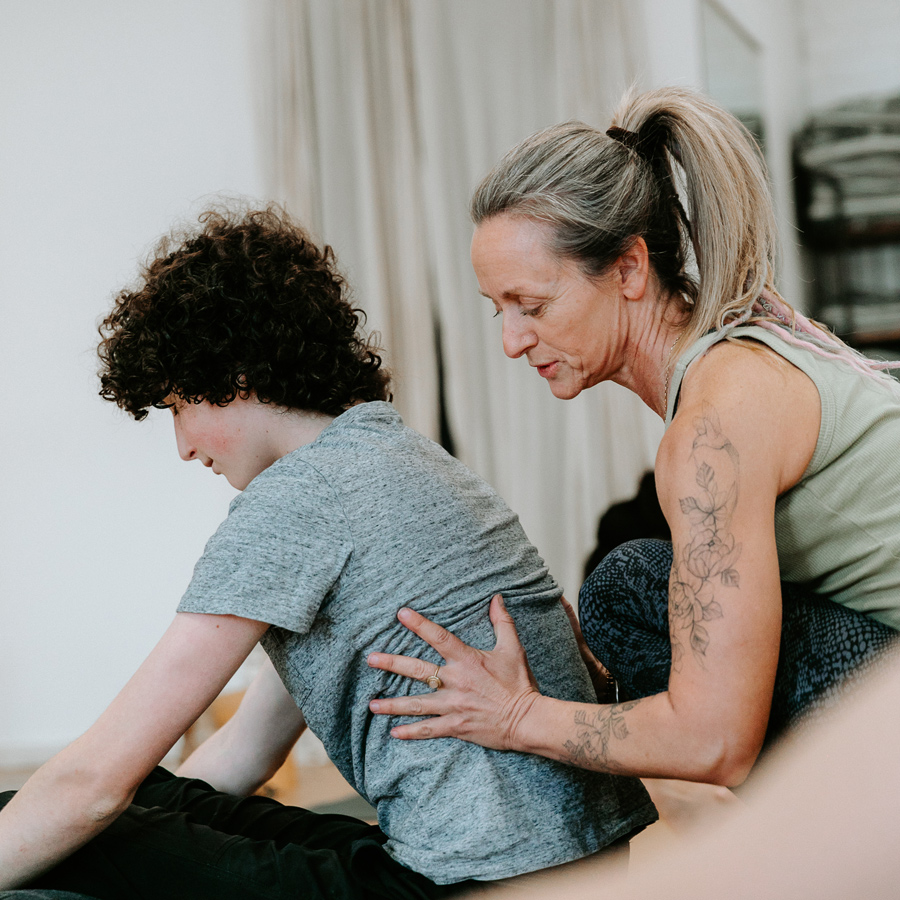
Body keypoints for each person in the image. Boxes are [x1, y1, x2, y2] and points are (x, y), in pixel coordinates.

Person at [0, 207, 656, 898]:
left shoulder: (298, 500)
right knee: (136, 807)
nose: (183, 446)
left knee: (85, 821)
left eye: (177, 405)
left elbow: (92, 785)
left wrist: (90, 821)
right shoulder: (396, 458)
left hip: (479, 885)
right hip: (570, 866)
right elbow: (245, 756)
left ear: (235, 373)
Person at [367, 86, 899, 786]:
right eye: (498, 310)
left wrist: (515, 715)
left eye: (531, 305)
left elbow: (716, 742)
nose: (512, 340)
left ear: (628, 268)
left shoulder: (716, 424)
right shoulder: (753, 340)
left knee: (628, 588)